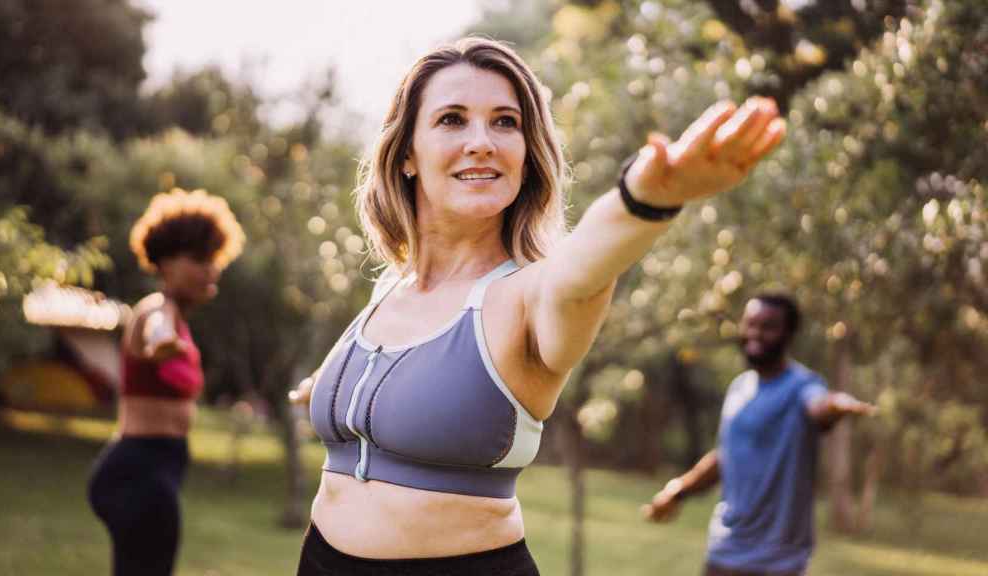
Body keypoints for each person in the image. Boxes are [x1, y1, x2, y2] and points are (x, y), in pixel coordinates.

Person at [289, 37, 785, 575]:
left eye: (505, 122)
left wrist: (644, 200)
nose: (482, 141)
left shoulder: (528, 296)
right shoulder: (391, 285)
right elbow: (400, 377)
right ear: (407, 152)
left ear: (527, 154)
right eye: (452, 119)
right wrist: (323, 387)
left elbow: (583, 270)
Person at [641, 294, 877, 576]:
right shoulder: (739, 388)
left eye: (768, 326)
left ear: (788, 334)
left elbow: (819, 405)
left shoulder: (802, 385)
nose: (756, 333)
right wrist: (677, 491)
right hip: (724, 551)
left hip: (776, 563)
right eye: (750, 324)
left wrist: (838, 405)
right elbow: (726, 456)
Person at [87, 188, 244, 576]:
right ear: (166, 263)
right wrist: (161, 342)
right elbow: (157, 330)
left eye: (213, 259)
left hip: (153, 468)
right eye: (198, 259)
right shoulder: (157, 311)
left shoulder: (178, 319)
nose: (210, 269)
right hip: (141, 469)